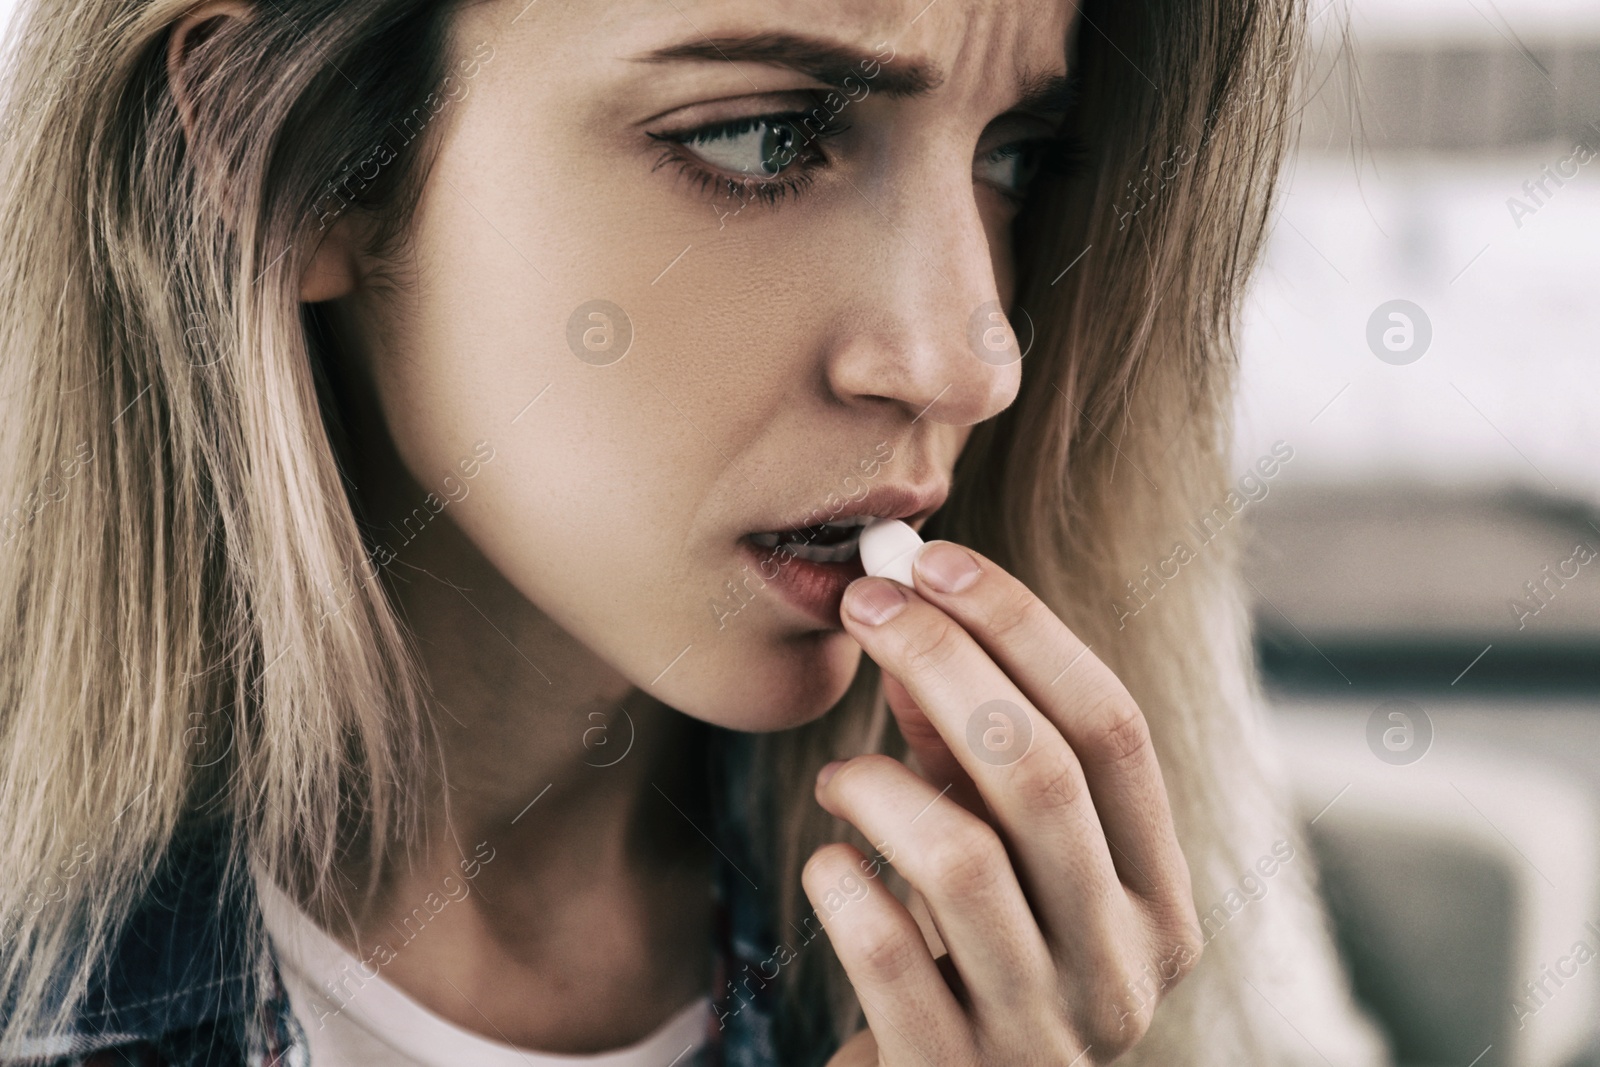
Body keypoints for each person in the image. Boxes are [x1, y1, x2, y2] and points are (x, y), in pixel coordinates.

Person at [0, 0, 1393, 1063]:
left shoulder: (1126, 845)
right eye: (765, 138)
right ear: (271, 153)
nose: (974, 361)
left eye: (1019, 158)